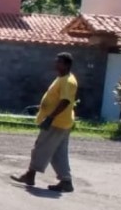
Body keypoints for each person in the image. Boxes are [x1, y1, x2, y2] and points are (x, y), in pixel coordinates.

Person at [11, 52, 78, 193]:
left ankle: (30, 175)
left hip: (57, 122)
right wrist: (42, 107)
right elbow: (56, 99)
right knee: (58, 153)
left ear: (66, 65)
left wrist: (50, 117)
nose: (55, 64)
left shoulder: (67, 81)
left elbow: (65, 101)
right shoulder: (62, 78)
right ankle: (66, 181)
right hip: (62, 122)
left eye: (58, 62)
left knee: (40, 147)